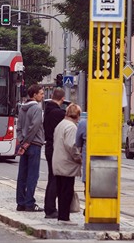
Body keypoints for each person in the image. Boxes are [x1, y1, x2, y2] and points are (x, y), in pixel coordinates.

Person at [15, 84, 45, 212]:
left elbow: (19, 127)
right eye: (41, 93)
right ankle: (29, 203)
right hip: (34, 144)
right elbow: (35, 127)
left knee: (22, 174)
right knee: (33, 175)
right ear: (34, 95)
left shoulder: (22, 108)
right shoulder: (37, 109)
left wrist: (22, 141)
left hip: (24, 145)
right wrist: (28, 142)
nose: (43, 96)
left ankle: (20, 202)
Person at [52, 103, 82, 224]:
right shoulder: (71, 127)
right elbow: (72, 146)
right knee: (67, 191)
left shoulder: (61, 124)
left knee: (61, 190)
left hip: (59, 161)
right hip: (67, 164)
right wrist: (78, 158)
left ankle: (61, 216)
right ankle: (64, 217)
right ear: (77, 115)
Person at [43, 88, 66, 219]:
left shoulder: (48, 110)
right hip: (55, 147)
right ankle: (50, 209)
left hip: (49, 146)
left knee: (52, 177)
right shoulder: (58, 113)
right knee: (55, 178)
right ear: (62, 99)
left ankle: (49, 207)